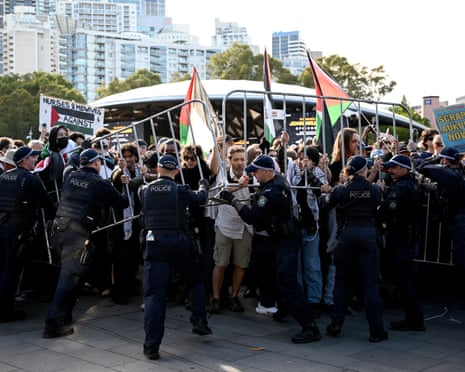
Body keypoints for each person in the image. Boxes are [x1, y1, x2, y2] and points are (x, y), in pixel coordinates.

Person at [219, 154, 321, 344]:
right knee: (278, 276)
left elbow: (251, 217)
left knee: (288, 282)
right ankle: (285, 308)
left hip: (286, 241)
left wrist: (233, 200)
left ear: (267, 171)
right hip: (282, 239)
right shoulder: (276, 183)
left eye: (257, 171)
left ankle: (309, 326)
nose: (255, 175)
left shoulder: (272, 192)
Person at [43, 149, 129, 338]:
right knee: (68, 278)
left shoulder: (70, 176)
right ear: (97, 163)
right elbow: (122, 203)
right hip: (76, 234)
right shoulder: (100, 183)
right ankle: (53, 324)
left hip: (58, 230)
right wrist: (123, 183)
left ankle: (64, 316)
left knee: (75, 275)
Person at [140, 154, 212, 361]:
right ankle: (199, 321)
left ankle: (151, 346)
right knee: (195, 281)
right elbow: (200, 198)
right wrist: (203, 185)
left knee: (154, 295)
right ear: (177, 171)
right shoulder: (179, 190)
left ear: (159, 169)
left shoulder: (143, 190)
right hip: (179, 242)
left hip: (154, 244)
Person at [324, 155, 388, 343]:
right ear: (364, 170)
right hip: (368, 235)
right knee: (370, 284)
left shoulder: (342, 189)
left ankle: (336, 324)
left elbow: (327, 203)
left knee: (342, 281)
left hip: (347, 235)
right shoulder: (374, 189)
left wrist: (328, 190)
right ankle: (376, 331)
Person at [0, 146, 56, 322]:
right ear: (24, 160)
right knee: (10, 271)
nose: (35, 160)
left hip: (2, 227)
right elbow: (47, 205)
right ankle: (5, 311)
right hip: (17, 231)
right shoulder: (31, 179)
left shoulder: (3, 176)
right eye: (33, 158)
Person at [377, 154, 425, 331]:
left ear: (404, 169)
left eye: (394, 168)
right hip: (405, 236)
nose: (390, 171)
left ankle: (414, 319)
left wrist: (382, 193)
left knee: (403, 279)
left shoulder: (401, 189)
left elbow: (384, 211)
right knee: (402, 278)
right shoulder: (409, 183)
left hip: (401, 238)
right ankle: (413, 317)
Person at [210, 145, 253, 314]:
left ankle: (234, 296)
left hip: (244, 226)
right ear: (229, 161)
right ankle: (216, 298)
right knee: (220, 263)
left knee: (241, 264)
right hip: (225, 225)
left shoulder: (251, 174)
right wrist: (239, 185)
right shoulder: (223, 173)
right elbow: (221, 191)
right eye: (236, 160)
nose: (240, 163)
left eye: (242, 159)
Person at [416, 146, 465, 271]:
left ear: (445, 161)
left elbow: (420, 166)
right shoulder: (459, 173)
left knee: (461, 255)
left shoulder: (448, 173)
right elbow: (450, 189)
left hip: (459, 220)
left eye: (442, 160)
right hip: (457, 218)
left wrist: (434, 158)